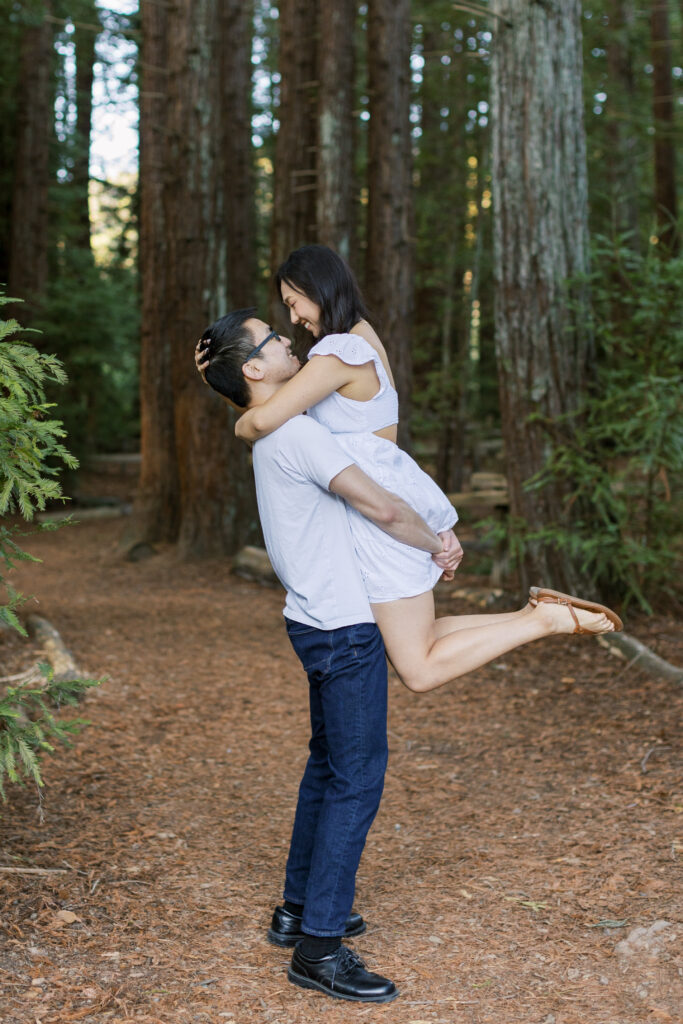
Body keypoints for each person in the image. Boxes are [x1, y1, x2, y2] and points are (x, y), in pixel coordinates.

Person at [195, 247, 622, 698]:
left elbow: (261, 420)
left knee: (418, 669)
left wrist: (239, 424)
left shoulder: (340, 351)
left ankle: (543, 620)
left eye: (292, 302)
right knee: (418, 636)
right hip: (384, 499)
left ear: (315, 289)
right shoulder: (356, 341)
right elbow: (268, 401)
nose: (294, 316)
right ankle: (539, 612)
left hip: (380, 512)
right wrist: (223, 379)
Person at [197, 309, 464, 1004]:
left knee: (326, 767)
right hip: (343, 631)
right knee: (357, 777)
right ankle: (318, 949)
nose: (290, 341)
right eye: (273, 338)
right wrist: (436, 540)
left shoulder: (274, 434)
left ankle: (296, 909)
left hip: (312, 623)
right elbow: (379, 507)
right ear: (255, 368)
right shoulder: (296, 433)